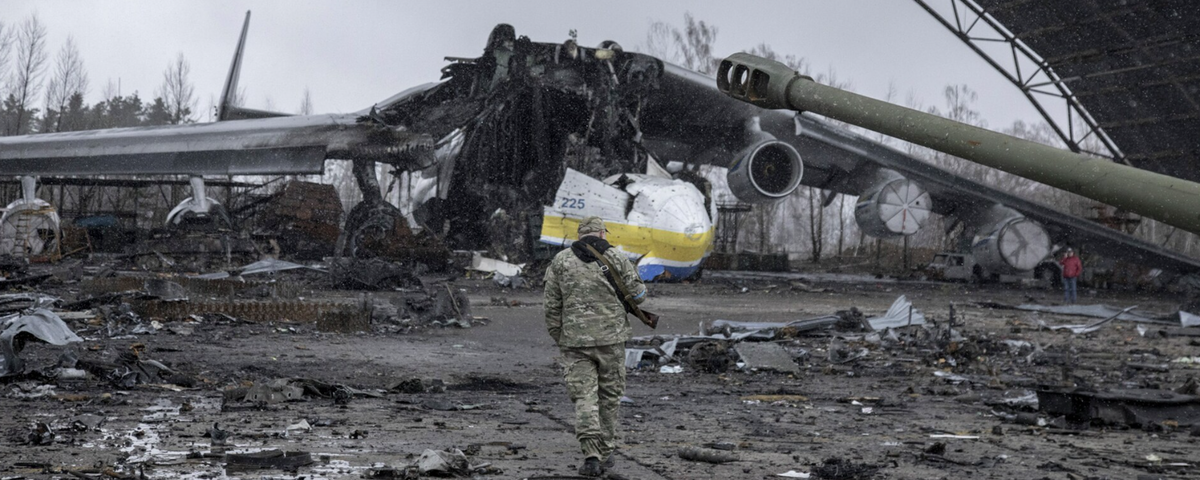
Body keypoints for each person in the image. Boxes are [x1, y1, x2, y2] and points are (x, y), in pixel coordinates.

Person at [543, 216, 647, 477]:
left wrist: (560, 335)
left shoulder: (561, 260)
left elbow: (551, 305)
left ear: (580, 235)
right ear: (602, 233)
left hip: (575, 341)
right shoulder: (617, 257)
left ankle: (590, 454)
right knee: (609, 397)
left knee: (584, 397)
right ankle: (606, 451)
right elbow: (639, 294)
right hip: (611, 340)